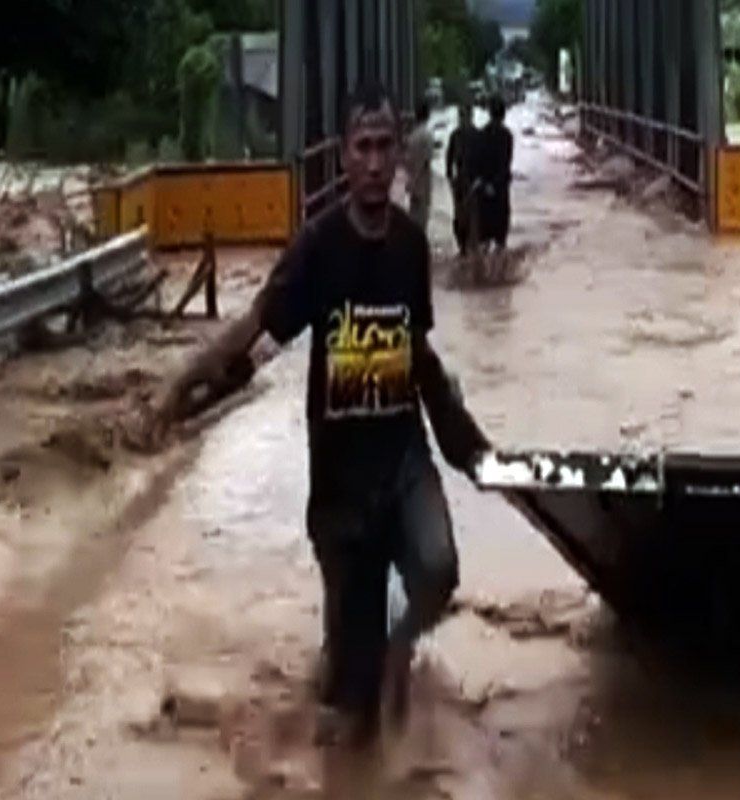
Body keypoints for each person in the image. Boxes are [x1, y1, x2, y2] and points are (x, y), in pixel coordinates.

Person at [148, 82, 490, 746]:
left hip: (403, 456)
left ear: (399, 157)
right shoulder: (318, 248)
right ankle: (358, 665)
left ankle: (401, 649)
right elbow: (255, 330)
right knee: (346, 710)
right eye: (361, 147)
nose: (372, 161)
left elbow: (416, 352)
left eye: (384, 146)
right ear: (342, 157)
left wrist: (466, 443)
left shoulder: (412, 247)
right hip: (340, 485)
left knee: (439, 566)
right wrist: (177, 391)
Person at [475, 95, 514, 250]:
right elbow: (506, 163)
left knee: (484, 239)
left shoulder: (481, 134)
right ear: (503, 114)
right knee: (501, 240)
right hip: (501, 190)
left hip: (484, 191)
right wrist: (496, 184)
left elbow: (477, 163)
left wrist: (484, 183)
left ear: (489, 113)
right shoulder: (507, 136)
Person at [445, 102, 480, 255]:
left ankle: (471, 246)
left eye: (465, 116)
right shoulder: (455, 135)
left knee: (473, 216)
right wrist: (450, 177)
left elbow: (483, 160)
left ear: (471, 117)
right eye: (461, 116)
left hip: (473, 181)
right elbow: (449, 157)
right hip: (460, 180)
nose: (463, 119)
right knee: (459, 216)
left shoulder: (477, 135)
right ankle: (462, 247)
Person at [404, 99, 434, 231]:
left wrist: (411, 180)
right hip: (422, 182)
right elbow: (426, 162)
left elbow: (407, 160)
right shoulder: (427, 135)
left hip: (412, 180)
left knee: (413, 215)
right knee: (422, 218)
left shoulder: (412, 136)